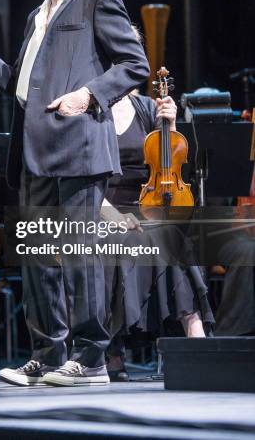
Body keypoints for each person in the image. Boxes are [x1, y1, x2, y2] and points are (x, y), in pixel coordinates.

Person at [0, 0, 150, 386]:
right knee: (40, 257)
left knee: (78, 252)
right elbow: (22, 85)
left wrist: (89, 94)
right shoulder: (35, 15)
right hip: (33, 150)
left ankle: (91, 360)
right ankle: (48, 355)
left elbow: (134, 65)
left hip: (79, 146)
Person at [102, 91, 215, 380]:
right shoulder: (91, 108)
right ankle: (113, 350)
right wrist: (114, 216)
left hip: (147, 203)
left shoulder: (147, 108)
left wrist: (171, 125)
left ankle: (193, 328)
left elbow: (170, 162)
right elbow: (82, 177)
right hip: (103, 206)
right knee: (127, 239)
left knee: (172, 237)